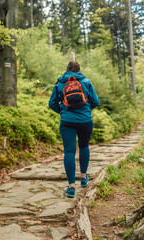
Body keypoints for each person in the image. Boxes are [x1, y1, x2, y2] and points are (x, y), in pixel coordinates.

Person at [48, 61, 100, 198]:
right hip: (85, 120)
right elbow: (95, 101)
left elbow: (51, 103)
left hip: (67, 122)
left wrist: (63, 111)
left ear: (67, 70)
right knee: (84, 147)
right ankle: (83, 177)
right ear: (79, 70)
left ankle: (71, 187)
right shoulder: (86, 82)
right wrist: (86, 110)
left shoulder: (60, 83)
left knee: (69, 151)